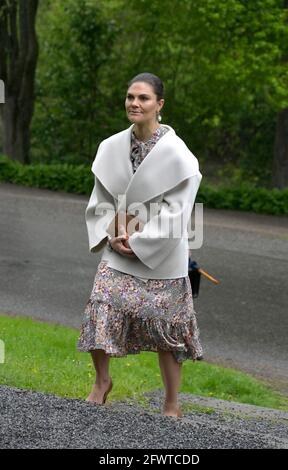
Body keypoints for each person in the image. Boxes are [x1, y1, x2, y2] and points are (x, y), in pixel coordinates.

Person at [77, 72, 203, 418]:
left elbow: (178, 211)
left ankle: (171, 403)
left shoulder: (180, 156)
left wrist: (142, 242)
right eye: (131, 97)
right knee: (101, 305)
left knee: (169, 328)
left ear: (159, 105)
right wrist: (112, 234)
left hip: (161, 253)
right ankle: (102, 382)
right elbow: (100, 198)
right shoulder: (111, 147)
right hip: (118, 246)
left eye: (143, 98)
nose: (135, 103)